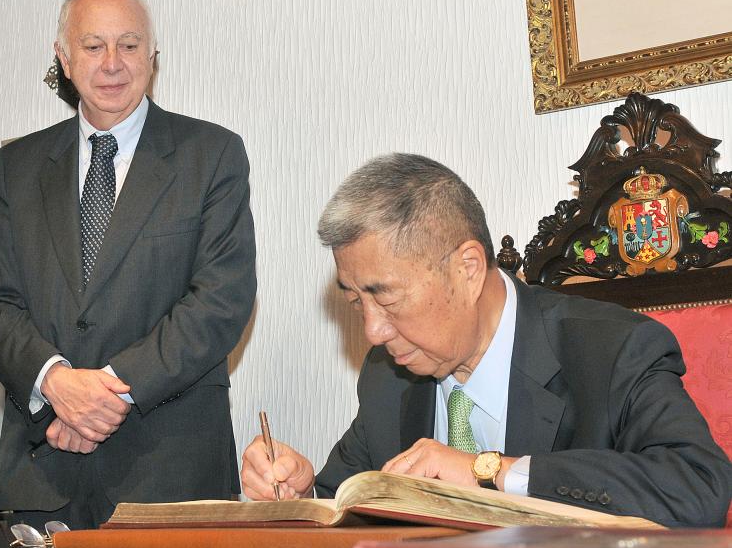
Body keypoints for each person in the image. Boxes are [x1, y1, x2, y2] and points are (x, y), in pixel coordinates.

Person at [241, 153, 732, 527]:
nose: (373, 331)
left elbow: (698, 488)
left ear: (468, 269)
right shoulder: (387, 375)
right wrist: (302, 497)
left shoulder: (613, 350)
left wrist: (488, 471)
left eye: (386, 298)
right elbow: (348, 504)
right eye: (355, 301)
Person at [0, 0, 256, 529]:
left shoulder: (212, 154)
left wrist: (107, 395)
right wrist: (57, 384)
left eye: (129, 45)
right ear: (64, 57)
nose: (112, 63)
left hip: (171, 473)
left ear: (152, 54)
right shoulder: (16, 167)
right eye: (93, 46)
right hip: (46, 468)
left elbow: (222, 301)